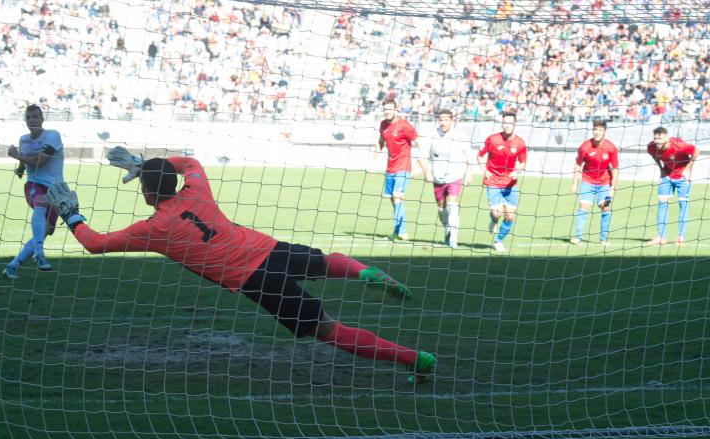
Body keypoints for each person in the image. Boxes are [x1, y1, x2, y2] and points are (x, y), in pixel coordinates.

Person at [45, 148, 436, 379]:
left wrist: (71, 213)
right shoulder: (197, 190)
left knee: (328, 330)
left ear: (146, 193)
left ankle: (415, 359)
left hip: (254, 279)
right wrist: (149, 161)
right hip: (268, 247)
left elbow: (95, 244)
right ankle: (366, 272)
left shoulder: (154, 228)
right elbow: (190, 161)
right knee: (325, 262)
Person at [3, 104, 65, 278]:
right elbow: (25, 162)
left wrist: (17, 156)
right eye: (29, 117)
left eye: (35, 116)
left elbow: (40, 161)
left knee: (46, 230)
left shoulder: (52, 135)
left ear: (42, 119)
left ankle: (13, 266)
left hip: (57, 190)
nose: (32, 120)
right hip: (34, 185)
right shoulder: (23, 139)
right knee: (42, 203)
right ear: (25, 121)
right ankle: (39, 254)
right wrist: (20, 168)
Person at [371, 100, 423, 241]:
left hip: (404, 167)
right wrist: (373, 163)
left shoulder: (405, 125)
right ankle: (397, 231)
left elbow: (420, 143)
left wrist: (419, 165)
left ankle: (403, 232)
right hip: (390, 168)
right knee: (393, 201)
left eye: (389, 109)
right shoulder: (383, 125)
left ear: (396, 110)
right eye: (385, 109)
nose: (387, 112)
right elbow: (381, 142)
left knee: (397, 196)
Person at [422, 109, 473, 249]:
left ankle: (453, 240)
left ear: (452, 120)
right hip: (437, 177)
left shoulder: (460, 135)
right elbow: (422, 155)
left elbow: (469, 155)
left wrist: (469, 172)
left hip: (455, 176)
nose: (443, 122)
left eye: (446, 119)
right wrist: (427, 172)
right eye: (441, 120)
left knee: (452, 206)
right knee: (441, 208)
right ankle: (447, 230)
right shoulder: (432, 135)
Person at [476, 112, 527, 253]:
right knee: (497, 213)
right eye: (505, 122)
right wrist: (483, 169)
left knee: (510, 216)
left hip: (510, 183)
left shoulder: (520, 143)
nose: (507, 125)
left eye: (510, 122)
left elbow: (523, 163)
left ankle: (498, 241)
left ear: (514, 124)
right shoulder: (492, 140)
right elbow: (480, 155)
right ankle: (493, 220)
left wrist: (517, 171)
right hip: (493, 181)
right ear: (502, 124)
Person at [646, 127, 700, 246]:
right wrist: (661, 170)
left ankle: (681, 237)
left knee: (683, 204)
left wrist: (688, 168)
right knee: (662, 202)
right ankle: (661, 237)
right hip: (667, 175)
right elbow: (655, 156)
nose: (658, 141)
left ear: (667, 137)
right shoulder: (651, 147)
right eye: (655, 138)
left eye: (660, 138)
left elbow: (696, 150)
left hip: (682, 176)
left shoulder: (679, 145)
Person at [570, 120, 619, 246]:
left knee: (605, 207)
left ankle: (604, 239)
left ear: (604, 131)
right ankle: (578, 237)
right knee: (583, 207)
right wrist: (574, 183)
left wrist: (613, 187)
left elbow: (615, 168)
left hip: (604, 182)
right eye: (595, 129)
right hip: (588, 181)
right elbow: (577, 164)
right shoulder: (585, 147)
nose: (597, 132)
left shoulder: (611, 148)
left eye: (600, 130)